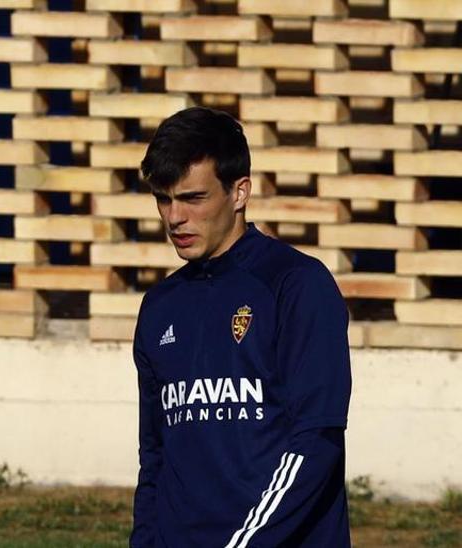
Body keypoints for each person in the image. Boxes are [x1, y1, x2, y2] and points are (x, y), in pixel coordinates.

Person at [130, 107, 352, 547]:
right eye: (163, 198)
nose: (174, 218)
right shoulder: (158, 308)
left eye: (193, 198)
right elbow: (155, 458)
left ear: (239, 192)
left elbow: (317, 440)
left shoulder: (296, 286)